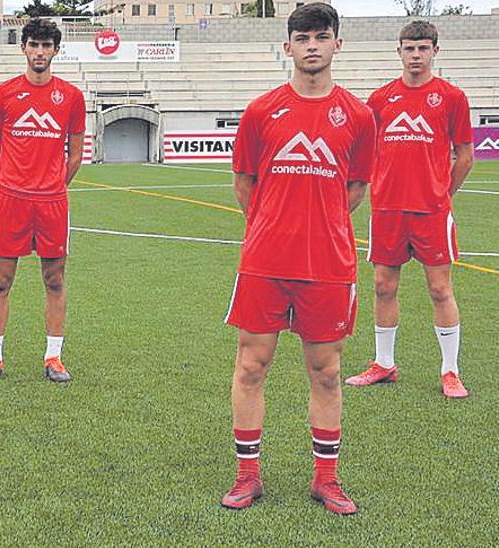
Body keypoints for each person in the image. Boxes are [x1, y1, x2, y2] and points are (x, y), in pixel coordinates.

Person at [221, 3, 375, 515]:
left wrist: (318, 221)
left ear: (337, 44)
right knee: (251, 366)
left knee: (327, 372)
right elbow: (245, 186)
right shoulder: (262, 111)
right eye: (302, 37)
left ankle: (325, 480)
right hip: (265, 259)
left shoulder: (358, 116)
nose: (312, 45)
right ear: (287, 47)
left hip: (329, 263)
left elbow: (354, 187)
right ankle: (248, 477)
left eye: (322, 36)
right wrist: (276, 223)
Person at [345, 20, 474, 398]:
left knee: (439, 288)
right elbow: (364, 151)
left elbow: (465, 157)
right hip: (387, 209)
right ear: (398, 51)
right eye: (409, 48)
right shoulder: (381, 99)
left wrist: (442, 194)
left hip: (431, 211)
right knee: (384, 286)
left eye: (422, 48)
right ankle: (384, 363)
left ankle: (450, 371)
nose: (415, 55)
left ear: (435, 51)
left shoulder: (451, 97)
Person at [0, 17, 85, 384]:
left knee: (54, 279)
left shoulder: (71, 96)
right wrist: (9, 183)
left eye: (46, 45)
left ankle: (54, 357)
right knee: (1, 281)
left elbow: (76, 155)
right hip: (11, 201)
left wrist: (52, 184)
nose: (39, 52)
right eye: (33, 45)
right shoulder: (3, 94)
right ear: (23, 48)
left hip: (52, 202)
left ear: (55, 50)